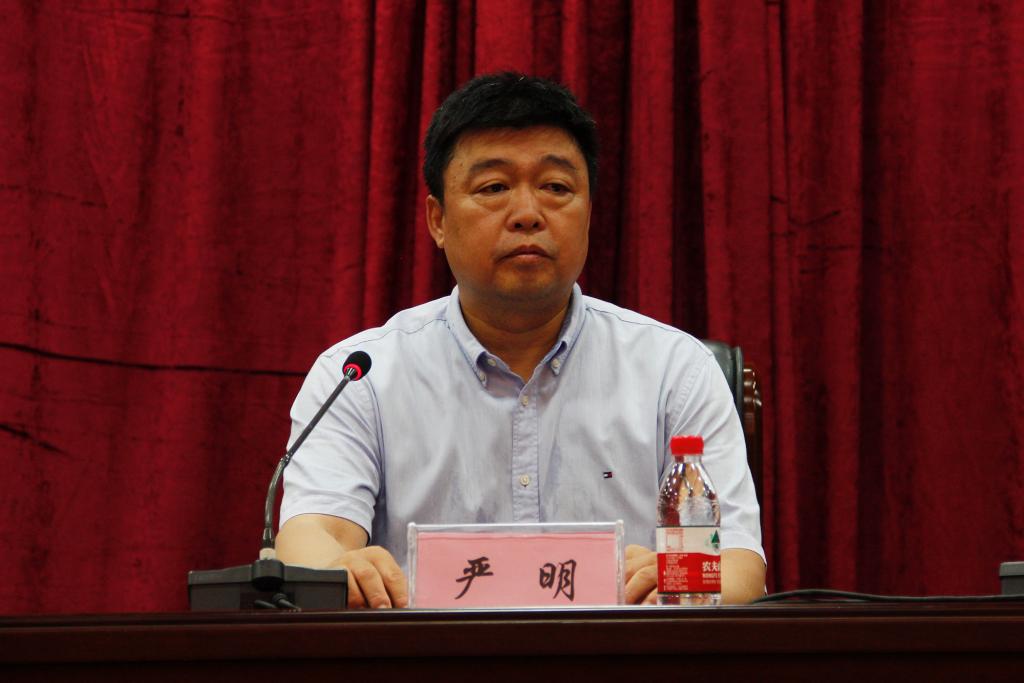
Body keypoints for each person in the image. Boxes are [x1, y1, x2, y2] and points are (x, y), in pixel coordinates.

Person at [276, 72, 766, 608]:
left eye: (556, 188)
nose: (528, 214)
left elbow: (738, 566)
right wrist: (336, 568)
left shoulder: (675, 370)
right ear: (437, 220)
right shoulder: (361, 376)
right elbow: (311, 537)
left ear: (589, 214)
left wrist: (678, 581)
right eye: (494, 188)